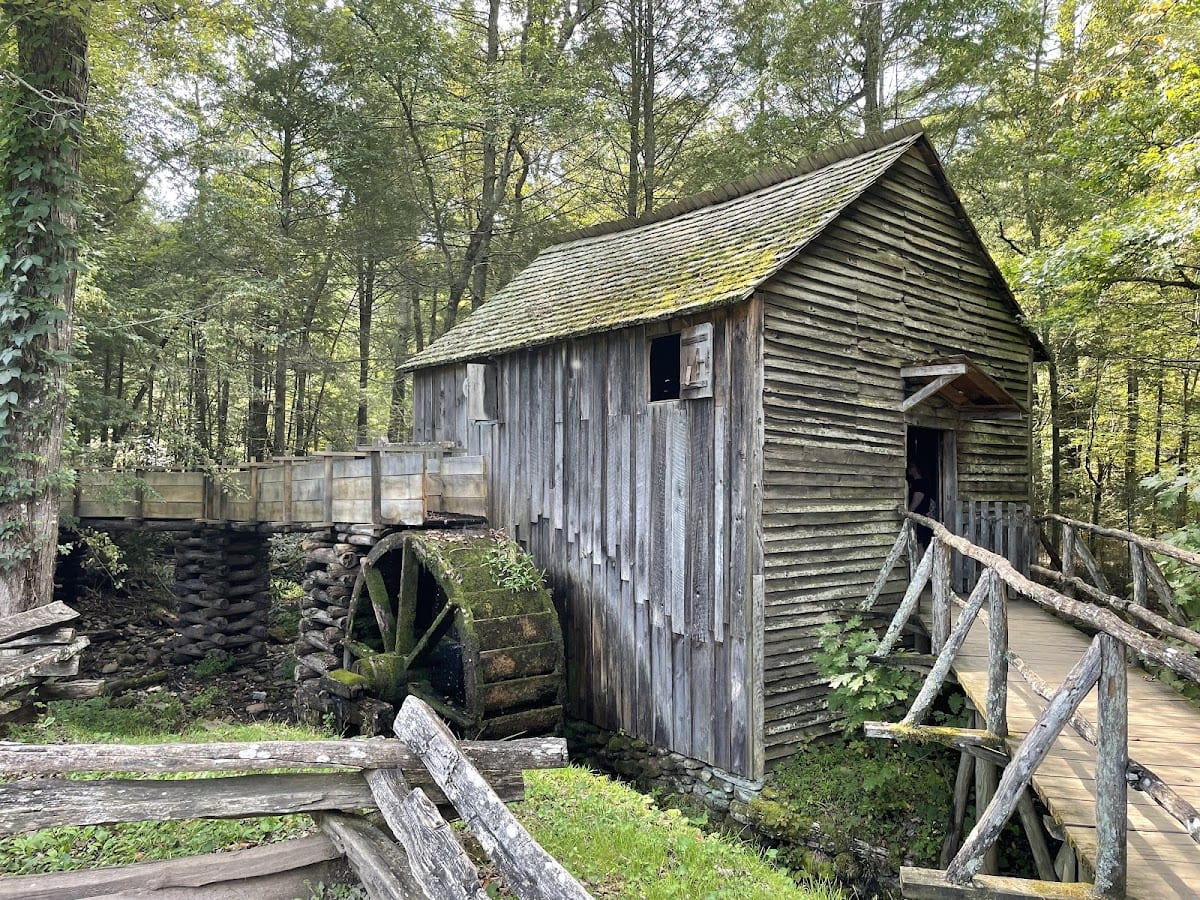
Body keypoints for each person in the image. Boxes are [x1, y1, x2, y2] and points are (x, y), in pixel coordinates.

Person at [907, 462, 935, 548]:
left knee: (919, 543)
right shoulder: (916, 483)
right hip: (919, 516)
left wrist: (907, 513)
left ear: (916, 469)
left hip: (920, 517)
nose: (908, 469)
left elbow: (915, 503)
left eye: (911, 467)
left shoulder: (920, 483)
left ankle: (922, 561)